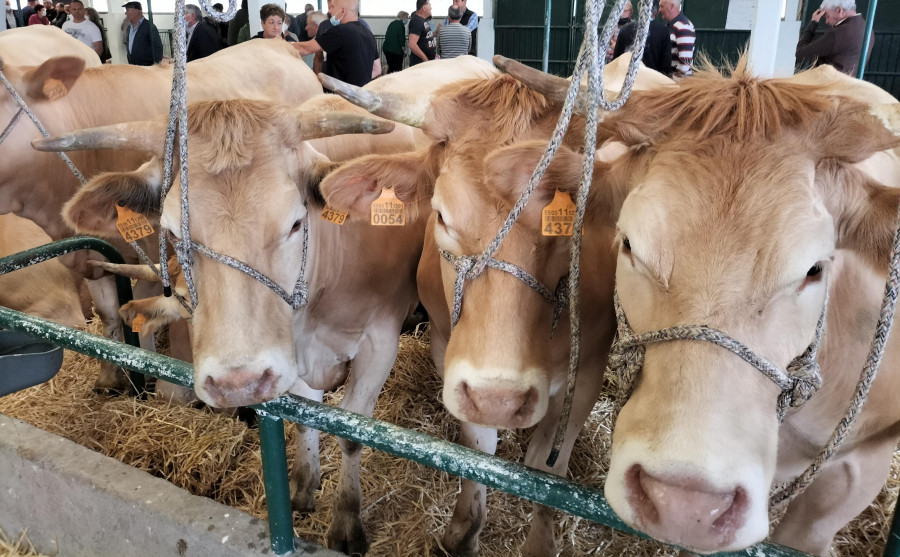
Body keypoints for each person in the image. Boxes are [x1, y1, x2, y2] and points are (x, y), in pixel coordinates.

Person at [293, 0, 377, 86]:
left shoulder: (340, 31)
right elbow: (377, 69)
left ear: (342, 11)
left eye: (332, 7)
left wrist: (281, 45)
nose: (329, 11)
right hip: (360, 94)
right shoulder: (369, 34)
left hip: (339, 96)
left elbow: (305, 49)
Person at [796, 0, 871, 76]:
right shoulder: (867, 29)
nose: (826, 21)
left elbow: (800, 52)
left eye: (827, 15)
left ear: (839, 10)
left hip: (828, 83)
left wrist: (813, 22)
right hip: (849, 82)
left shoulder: (838, 34)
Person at [614, 0, 673, 75]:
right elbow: (666, 64)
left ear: (639, 10)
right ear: (656, 13)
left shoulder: (625, 30)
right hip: (653, 80)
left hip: (627, 79)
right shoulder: (663, 32)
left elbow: (616, 60)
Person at [659, 0, 694, 78]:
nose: (659, 10)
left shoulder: (683, 26)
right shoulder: (671, 25)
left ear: (671, 6)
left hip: (678, 82)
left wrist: (672, 82)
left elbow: (685, 64)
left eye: (662, 6)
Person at [123, 1, 162, 66]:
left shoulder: (149, 26)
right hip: (134, 67)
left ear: (137, 11)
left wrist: (156, 65)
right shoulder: (129, 28)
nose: (126, 13)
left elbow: (158, 47)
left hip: (147, 68)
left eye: (127, 10)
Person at [408, 0, 434, 67]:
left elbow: (425, 36)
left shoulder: (423, 20)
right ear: (424, 8)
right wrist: (425, 59)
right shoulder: (416, 21)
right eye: (430, 5)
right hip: (420, 64)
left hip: (426, 63)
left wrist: (436, 32)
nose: (431, 8)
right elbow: (412, 44)